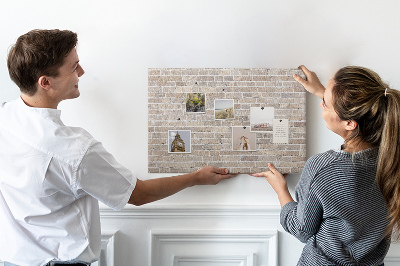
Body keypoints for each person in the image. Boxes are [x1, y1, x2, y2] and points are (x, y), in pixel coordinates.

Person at [0, 29, 236, 266]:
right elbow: (139, 194)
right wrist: (196, 177)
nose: (81, 72)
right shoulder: (74, 150)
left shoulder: (4, 117)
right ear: (46, 82)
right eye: (74, 67)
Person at [251, 65, 400, 265]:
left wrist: (280, 190)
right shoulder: (393, 158)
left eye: (326, 103)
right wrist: (327, 94)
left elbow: (302, 229)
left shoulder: (323, 168)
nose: (321, 105)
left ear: (350, 123)